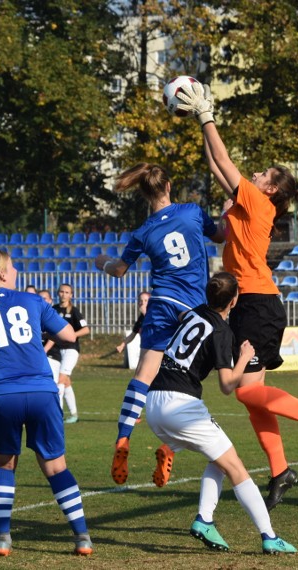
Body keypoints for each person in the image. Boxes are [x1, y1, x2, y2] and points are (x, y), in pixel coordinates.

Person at [176, 82, 298, 510]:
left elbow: (226, 161)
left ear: (271, 190)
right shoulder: (248, 202)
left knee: (244, 392)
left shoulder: (260, 203)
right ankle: (281, 470)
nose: (256, 174)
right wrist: (200, 122)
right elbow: (218, 165)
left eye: (264, 174)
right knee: (252, 397)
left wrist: (207, 114)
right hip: (247, 305)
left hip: (259, 305)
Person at [0, 249, 92, 557]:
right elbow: (68, 334)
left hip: (1, 396)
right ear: (1, 274)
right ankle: (82, 537)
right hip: (41, 393)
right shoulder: (33, 301)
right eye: (12, 267)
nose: (16, 271)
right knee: (56, 467)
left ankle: (2, 538)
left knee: (4, 464)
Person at [145, 272, 297, 554]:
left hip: (153, 399)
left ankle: (204, 517)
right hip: (181, 404)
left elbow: (183, 325)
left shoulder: (194, 313)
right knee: (236, 467)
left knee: (219, 458)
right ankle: (269, 536)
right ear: (235, 300)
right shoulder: (222, 332)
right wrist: (242, 357)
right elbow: (227, 385)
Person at [94, 162, 223, 487]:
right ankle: (170, 446)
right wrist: (229, 210)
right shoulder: (192, 212)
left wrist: (103, 262)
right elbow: (221, 234)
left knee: (144, 375)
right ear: (168, 187)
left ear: (143, 192)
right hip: (193, 309)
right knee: (188, 380)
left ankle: (123, 439)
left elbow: (120, 270)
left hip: (161, 303)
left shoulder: (144, 231)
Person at [49, 283, 90, 424]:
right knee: (66, 382)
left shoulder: (74, 311)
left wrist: (71, 335)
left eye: (67, 292)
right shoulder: (53, 309)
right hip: (57, 351)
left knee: (60, 380)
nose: (64, 294)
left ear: (71, 295)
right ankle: (74, 414)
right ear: (58, 293)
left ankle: (57, 415)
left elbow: (86, 330)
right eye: (61, 292)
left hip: (71, 349)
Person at [117, 291, 150, 355]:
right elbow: (133, 335)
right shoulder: (141, 319)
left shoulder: (154, 316)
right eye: (141, 300)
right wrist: (122, 345)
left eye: (146, 300)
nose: (142, 303)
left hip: (154, 350)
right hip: (145, 349)